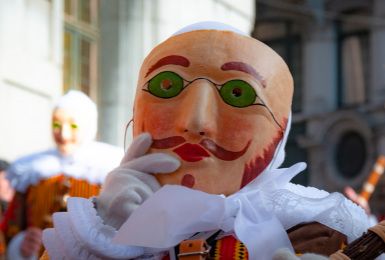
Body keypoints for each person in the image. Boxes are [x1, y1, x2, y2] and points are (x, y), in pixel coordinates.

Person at [42, 22, 371, 259]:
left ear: (280, 129)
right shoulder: (94, 230)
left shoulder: (321, 227)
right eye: (168, 86)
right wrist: (111, 232)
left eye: (237, 93)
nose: (195, 122)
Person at [0, 90, 123, 259]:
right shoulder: (31, 171)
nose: (63, 135)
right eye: (56, 125)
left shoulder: (108, 169)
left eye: (73, 126)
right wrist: (21, 245)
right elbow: (10, 228)